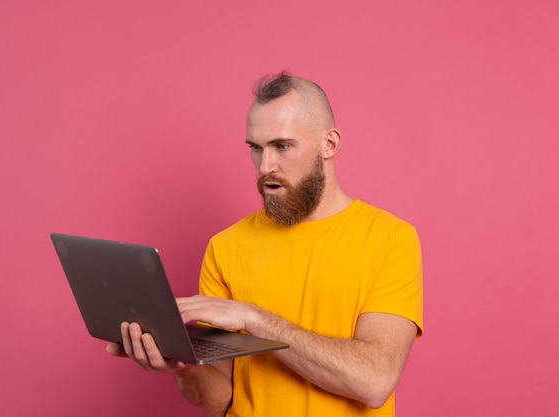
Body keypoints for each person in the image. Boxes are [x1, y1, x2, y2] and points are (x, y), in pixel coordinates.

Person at [106, 72, 423, 417]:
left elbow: (374, 380)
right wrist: (185, 366)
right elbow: (221, 401)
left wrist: (253, 318)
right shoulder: (225, 247)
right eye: (255, 148)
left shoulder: (390, 238)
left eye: (282, 146)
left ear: (329, 144)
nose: (266, 166)